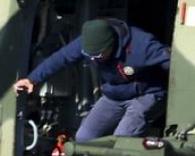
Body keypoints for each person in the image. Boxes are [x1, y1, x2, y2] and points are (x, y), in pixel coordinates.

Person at [14, 18, 170, 142]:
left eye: (98, 56)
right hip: (115, 93)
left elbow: (176, 65)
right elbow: (60, 58)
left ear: (112, 45)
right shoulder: (86, 43)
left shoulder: (143, 46)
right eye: (90, 57)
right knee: (84, 137)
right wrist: (32, 79)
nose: (95, 59)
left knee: (122, 140)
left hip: (146, 94)